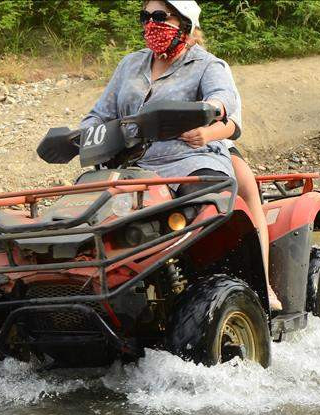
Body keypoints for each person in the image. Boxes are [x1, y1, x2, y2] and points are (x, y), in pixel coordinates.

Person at [80, 0, 282, 310]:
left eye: (160, 16)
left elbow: (224, 102)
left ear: (185, 22)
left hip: (191, 158)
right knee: (81, 209)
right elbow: (100, 113)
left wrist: (210, 116)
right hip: (134, 166)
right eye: (145, 16)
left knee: (205, 201)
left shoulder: (208, 65)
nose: (151, 23)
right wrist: (85, 135)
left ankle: (248, 288)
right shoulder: (129, 65)